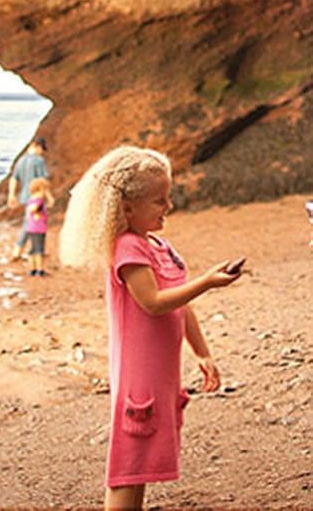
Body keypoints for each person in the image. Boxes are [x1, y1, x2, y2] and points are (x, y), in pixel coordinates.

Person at [58, 146, 242, 509]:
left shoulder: (156, 244)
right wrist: (207, 281)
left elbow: (178, 301)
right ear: (126, 208)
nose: (168, 207)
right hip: (139, 376)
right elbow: (154, 302)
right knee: (129, 464)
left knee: (141, 465)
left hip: (161, 373)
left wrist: (202, 351)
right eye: (159, 201)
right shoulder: (127, 248)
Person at [8, 137, 48, 261]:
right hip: (36, 197)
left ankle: (25, 250)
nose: (42, 152)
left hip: (24, 196)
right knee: (34, 224)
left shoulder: (21, 160)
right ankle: (23, 250)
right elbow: (43, 181)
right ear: (35, 146)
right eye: (41, 149)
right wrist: (48, 196)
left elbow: (14, 179)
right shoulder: (39, 161)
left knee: (29, 222)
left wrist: (12, 195)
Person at [24, 177, 54, 276]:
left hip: (31, 227)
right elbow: (50, 203)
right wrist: (48, 195)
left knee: (33, 249)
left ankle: (32, 269)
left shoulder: (31, 200)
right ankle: (39, 269)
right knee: (39, 249)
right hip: (39, 228)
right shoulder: (39, 201)